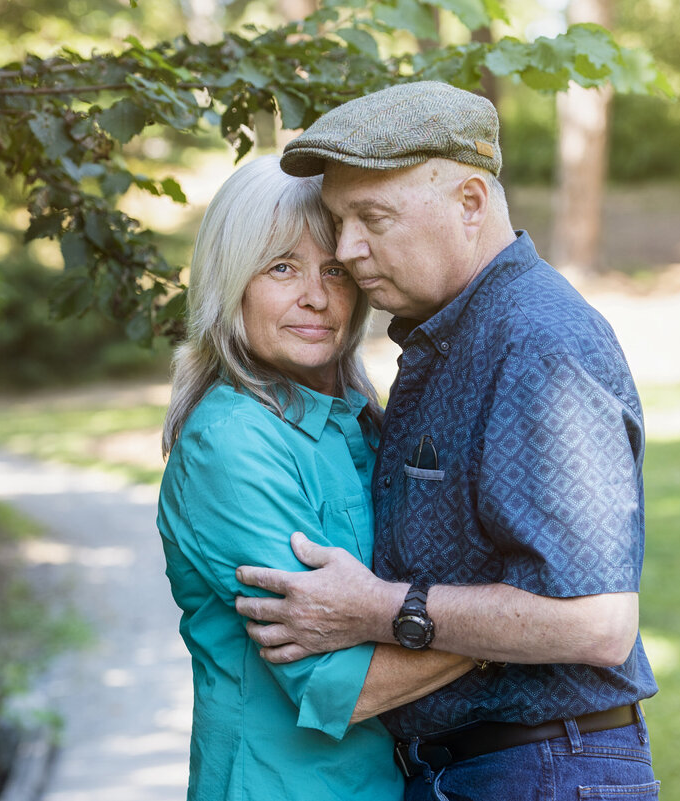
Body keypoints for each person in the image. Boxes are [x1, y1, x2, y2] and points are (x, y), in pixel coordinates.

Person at [234, 82, 661, 800]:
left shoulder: (536, 342)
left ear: (470, 202)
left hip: (544, 770)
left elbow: (598, 620)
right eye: (339, 220)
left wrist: (376, 608)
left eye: (372, 217)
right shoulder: (450, 338)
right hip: (476, 771)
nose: (347, 249)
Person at [155, 154, 474, 801]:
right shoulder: (232, 442)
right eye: (281, 267)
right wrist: (521, 625)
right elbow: (340, 683)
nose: (316, 295)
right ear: (231, 280)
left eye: (334, 268)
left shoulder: (357, 418)